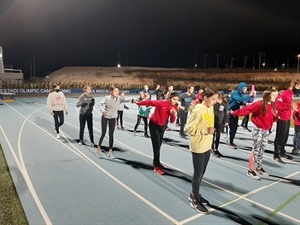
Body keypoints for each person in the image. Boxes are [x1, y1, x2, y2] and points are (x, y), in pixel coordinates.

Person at [230, 88, 278, 180]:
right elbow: (246, 110)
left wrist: (276, 118)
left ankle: (259, 167)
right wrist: (234, 113)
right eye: (273, 95)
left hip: (266, 130)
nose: (275, 97)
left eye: (276, 95)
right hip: (258, 129)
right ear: (267, 95)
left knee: (262, 149)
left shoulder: (273, 105)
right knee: (255, 149)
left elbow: (273, 117)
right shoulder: (259, 103)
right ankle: (250, 170)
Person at [185, 88, 218, 213]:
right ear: (205, 98)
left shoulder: (210, 108)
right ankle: (194, 199)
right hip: (198, 146)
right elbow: (188, 128)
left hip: (207, 145)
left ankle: (195, 193)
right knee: (198, 173)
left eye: (216, 99)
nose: (215, 102)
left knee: (202, 172)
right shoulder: (198, 110)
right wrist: (205, 131)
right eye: (213, 99)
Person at [137, 92, 179, 175]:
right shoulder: (162, 103)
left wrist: (174, 114)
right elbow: (149, 102)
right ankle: (156, 166)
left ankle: (156, 161)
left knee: (159, 145)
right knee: (156, 146)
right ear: (169, 98)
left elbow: (171, 121)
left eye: (177, 100)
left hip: (162, 127)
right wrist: (139, 103)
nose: (175, 101)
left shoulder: (174, 107)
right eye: (174, 99)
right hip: (154, 125)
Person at [96, 86, 133, 159]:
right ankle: (98, 149)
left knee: (111, 135)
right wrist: (103, 110)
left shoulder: (119, 98)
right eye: (115, 91)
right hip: (105, 117)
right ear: (111, 92)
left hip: (113, 118)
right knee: (103, 134)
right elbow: (99, 104)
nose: (117, 92)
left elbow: (126, 100)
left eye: (118, 91)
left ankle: (110, 152)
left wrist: (133, 100)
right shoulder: (107, 98)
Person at [273, 80, 300, 163]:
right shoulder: (285, 93)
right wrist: (289, 106)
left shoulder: (291, 94)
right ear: (293, 86)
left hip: (287, 117)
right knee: (280, 136)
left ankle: (282, 152)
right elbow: (277, 105)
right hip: (282, 118)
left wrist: (290, 107)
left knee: (285, 136)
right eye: (298, 87)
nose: (299, 89)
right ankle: (276, 155)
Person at [228, 82, 256, 149]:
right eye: (245, 88)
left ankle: (231, 141)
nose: (245, 89)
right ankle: (229, 141)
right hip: (230, 112)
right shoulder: (235, 93)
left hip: (235, 113)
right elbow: (239, 99)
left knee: (234, 128)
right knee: (231, 128)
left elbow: (244, 101)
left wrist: (251, 97)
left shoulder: (241, 94)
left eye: (246, 88)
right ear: (241, 88)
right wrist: (249, 95)